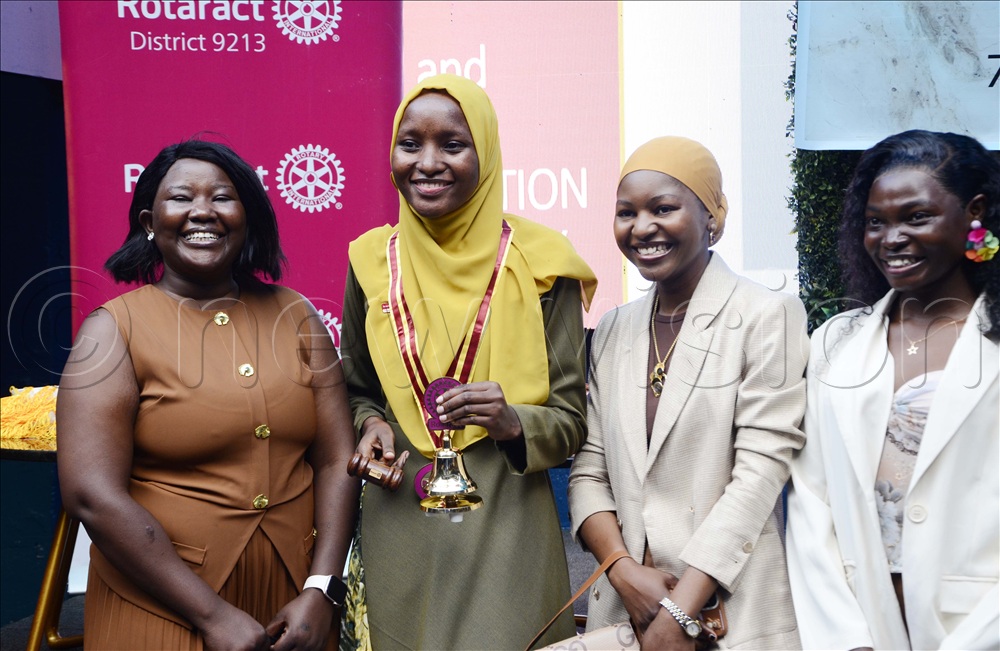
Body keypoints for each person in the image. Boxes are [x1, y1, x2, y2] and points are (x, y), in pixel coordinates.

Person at [57, 140, 359, 651]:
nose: (203, 211)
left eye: (222, 197)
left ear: (247, 218)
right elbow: (92, 495)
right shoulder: (113, 331)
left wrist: (322, 589)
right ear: (150, 221)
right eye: (181, 198)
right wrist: (212, 615)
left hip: (294, 606)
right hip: (164, 604)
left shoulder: (297, 315)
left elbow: (336, 459)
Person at [339, 74, 597, 650]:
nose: (428, 163)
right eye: (410, 144)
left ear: (487, 153)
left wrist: (512, 421)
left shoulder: (542, 264)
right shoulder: (369, 262)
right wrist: (370, 423)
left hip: (506, 524)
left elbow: (570, 422)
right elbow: (355, 390)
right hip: (400, 517)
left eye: (453, 145)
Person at [568, 136, 807, 650]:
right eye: (626, 213)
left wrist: (679, 611)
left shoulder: (768, 315)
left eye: (663, 208)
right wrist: (623, 573)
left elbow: (760, 473)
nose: (641, 227)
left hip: (733, 615)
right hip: (626, 615)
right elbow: (588, 471)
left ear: (711, 218)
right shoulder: (612, 329)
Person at [786, 130, 1000, 650]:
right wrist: (847, 640)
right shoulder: (836, 340)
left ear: (974, 213)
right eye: (875, 222)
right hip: (863, 623)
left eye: (916, 217)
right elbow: (810, 499)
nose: (891, 238)